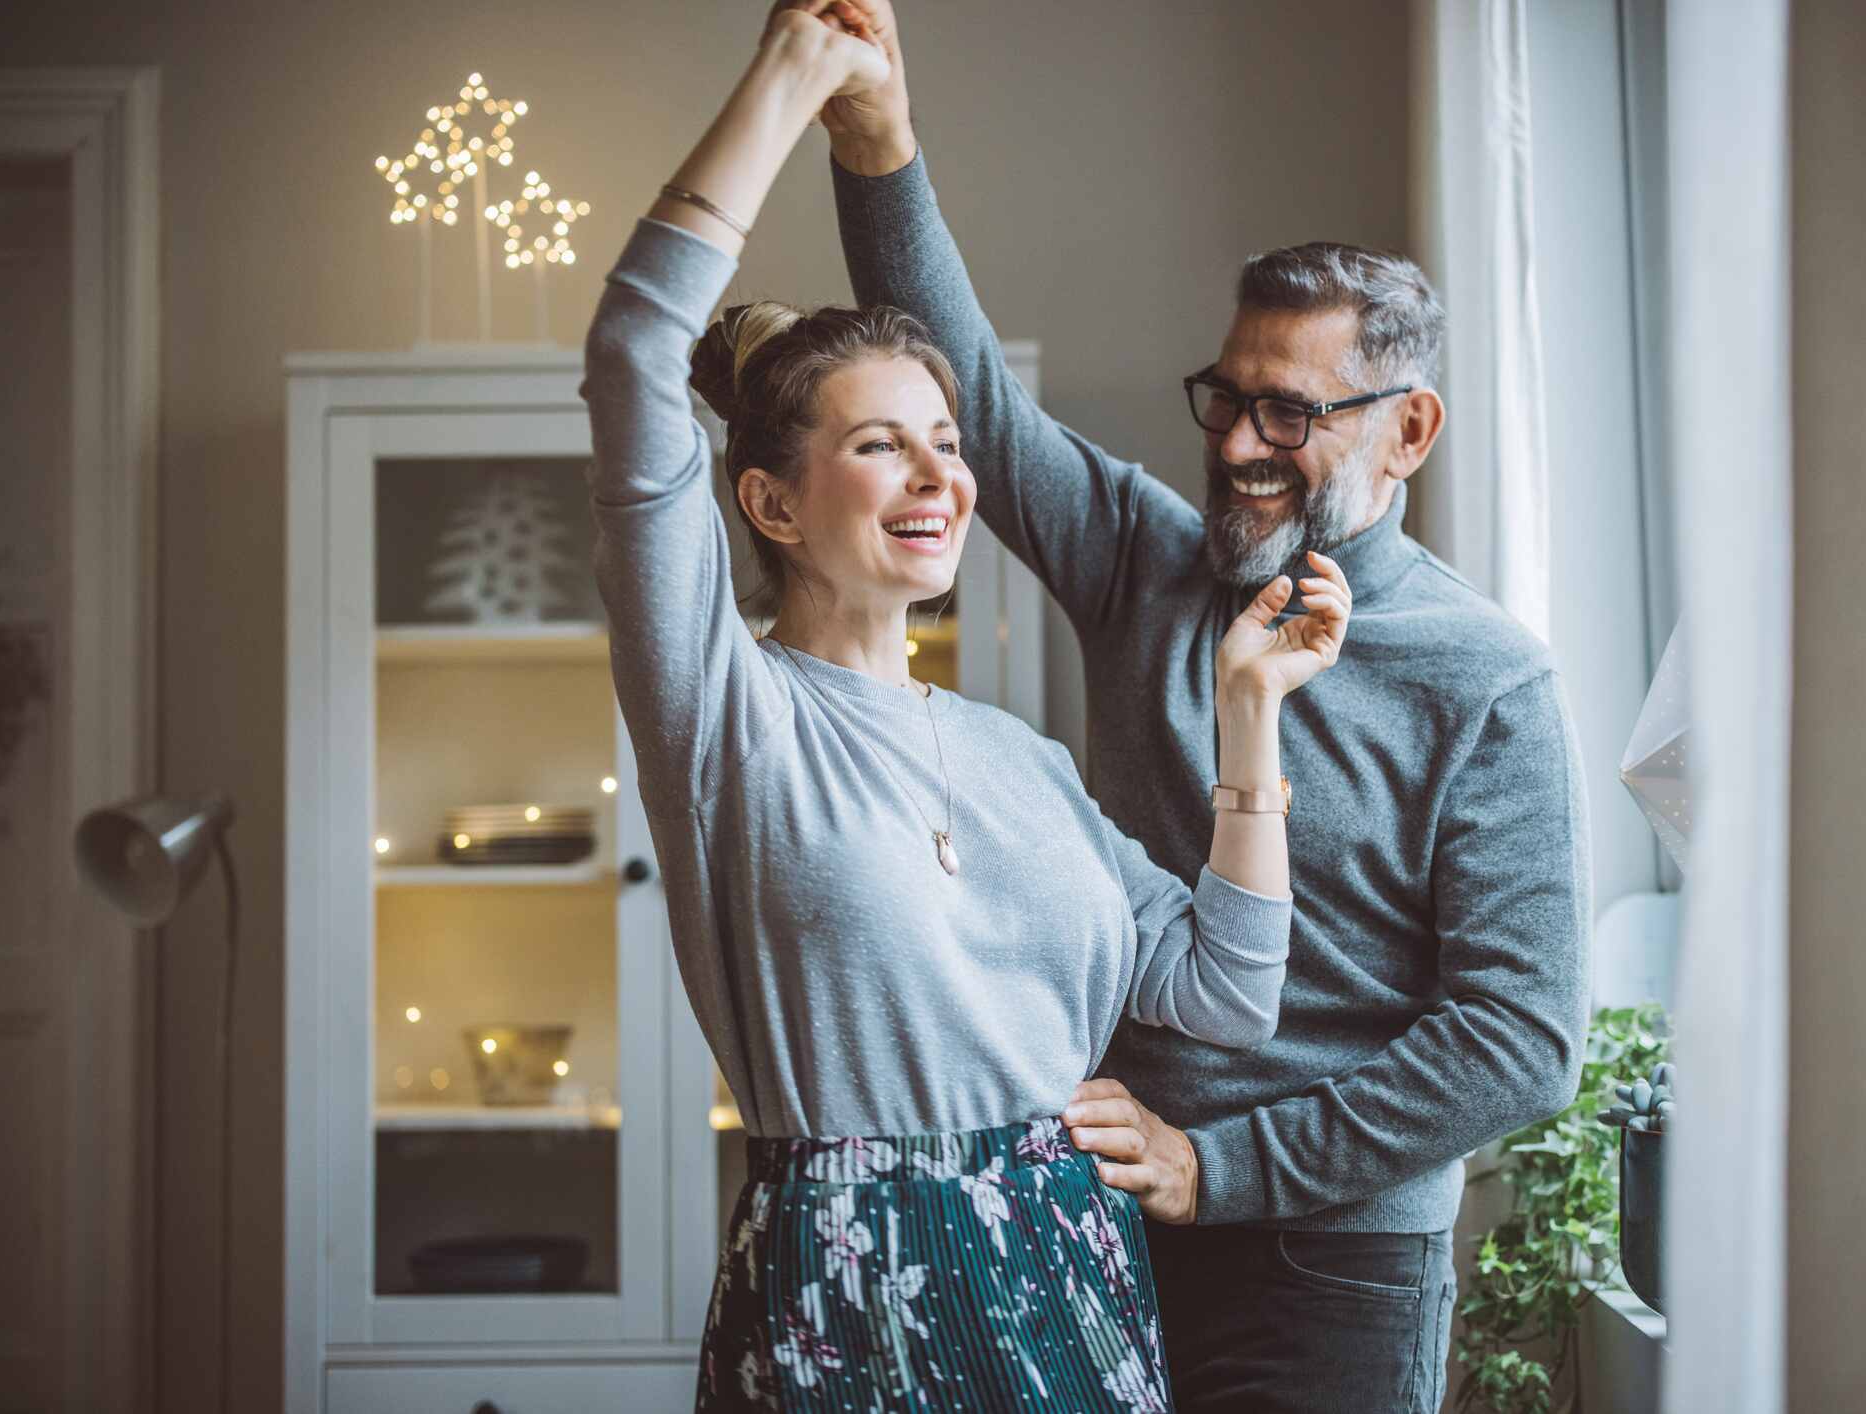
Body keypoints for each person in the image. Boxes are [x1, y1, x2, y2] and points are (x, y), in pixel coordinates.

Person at [808, 2, 1594, 1409]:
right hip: (1095, 1205)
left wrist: (1218, 1166)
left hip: (1337, 1270)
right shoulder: (1145, 561)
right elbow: (969, 393)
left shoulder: (1490, 682)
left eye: (1288, 413)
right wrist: (877, 142)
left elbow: (1521, 1040)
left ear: (1406, 428)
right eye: (1224, 398)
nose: (1237, 444)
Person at [580, 7, 1355, 1409]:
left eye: (947, 442)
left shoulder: (1025, 761)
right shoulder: (728, 715)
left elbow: (1226, 992)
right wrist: (796, 76)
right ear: (770, 501)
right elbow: (638, 349)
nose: (938, 477)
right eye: (879, 445)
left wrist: (1252, 712)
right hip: (842, 1285)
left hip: (1072, 1271)